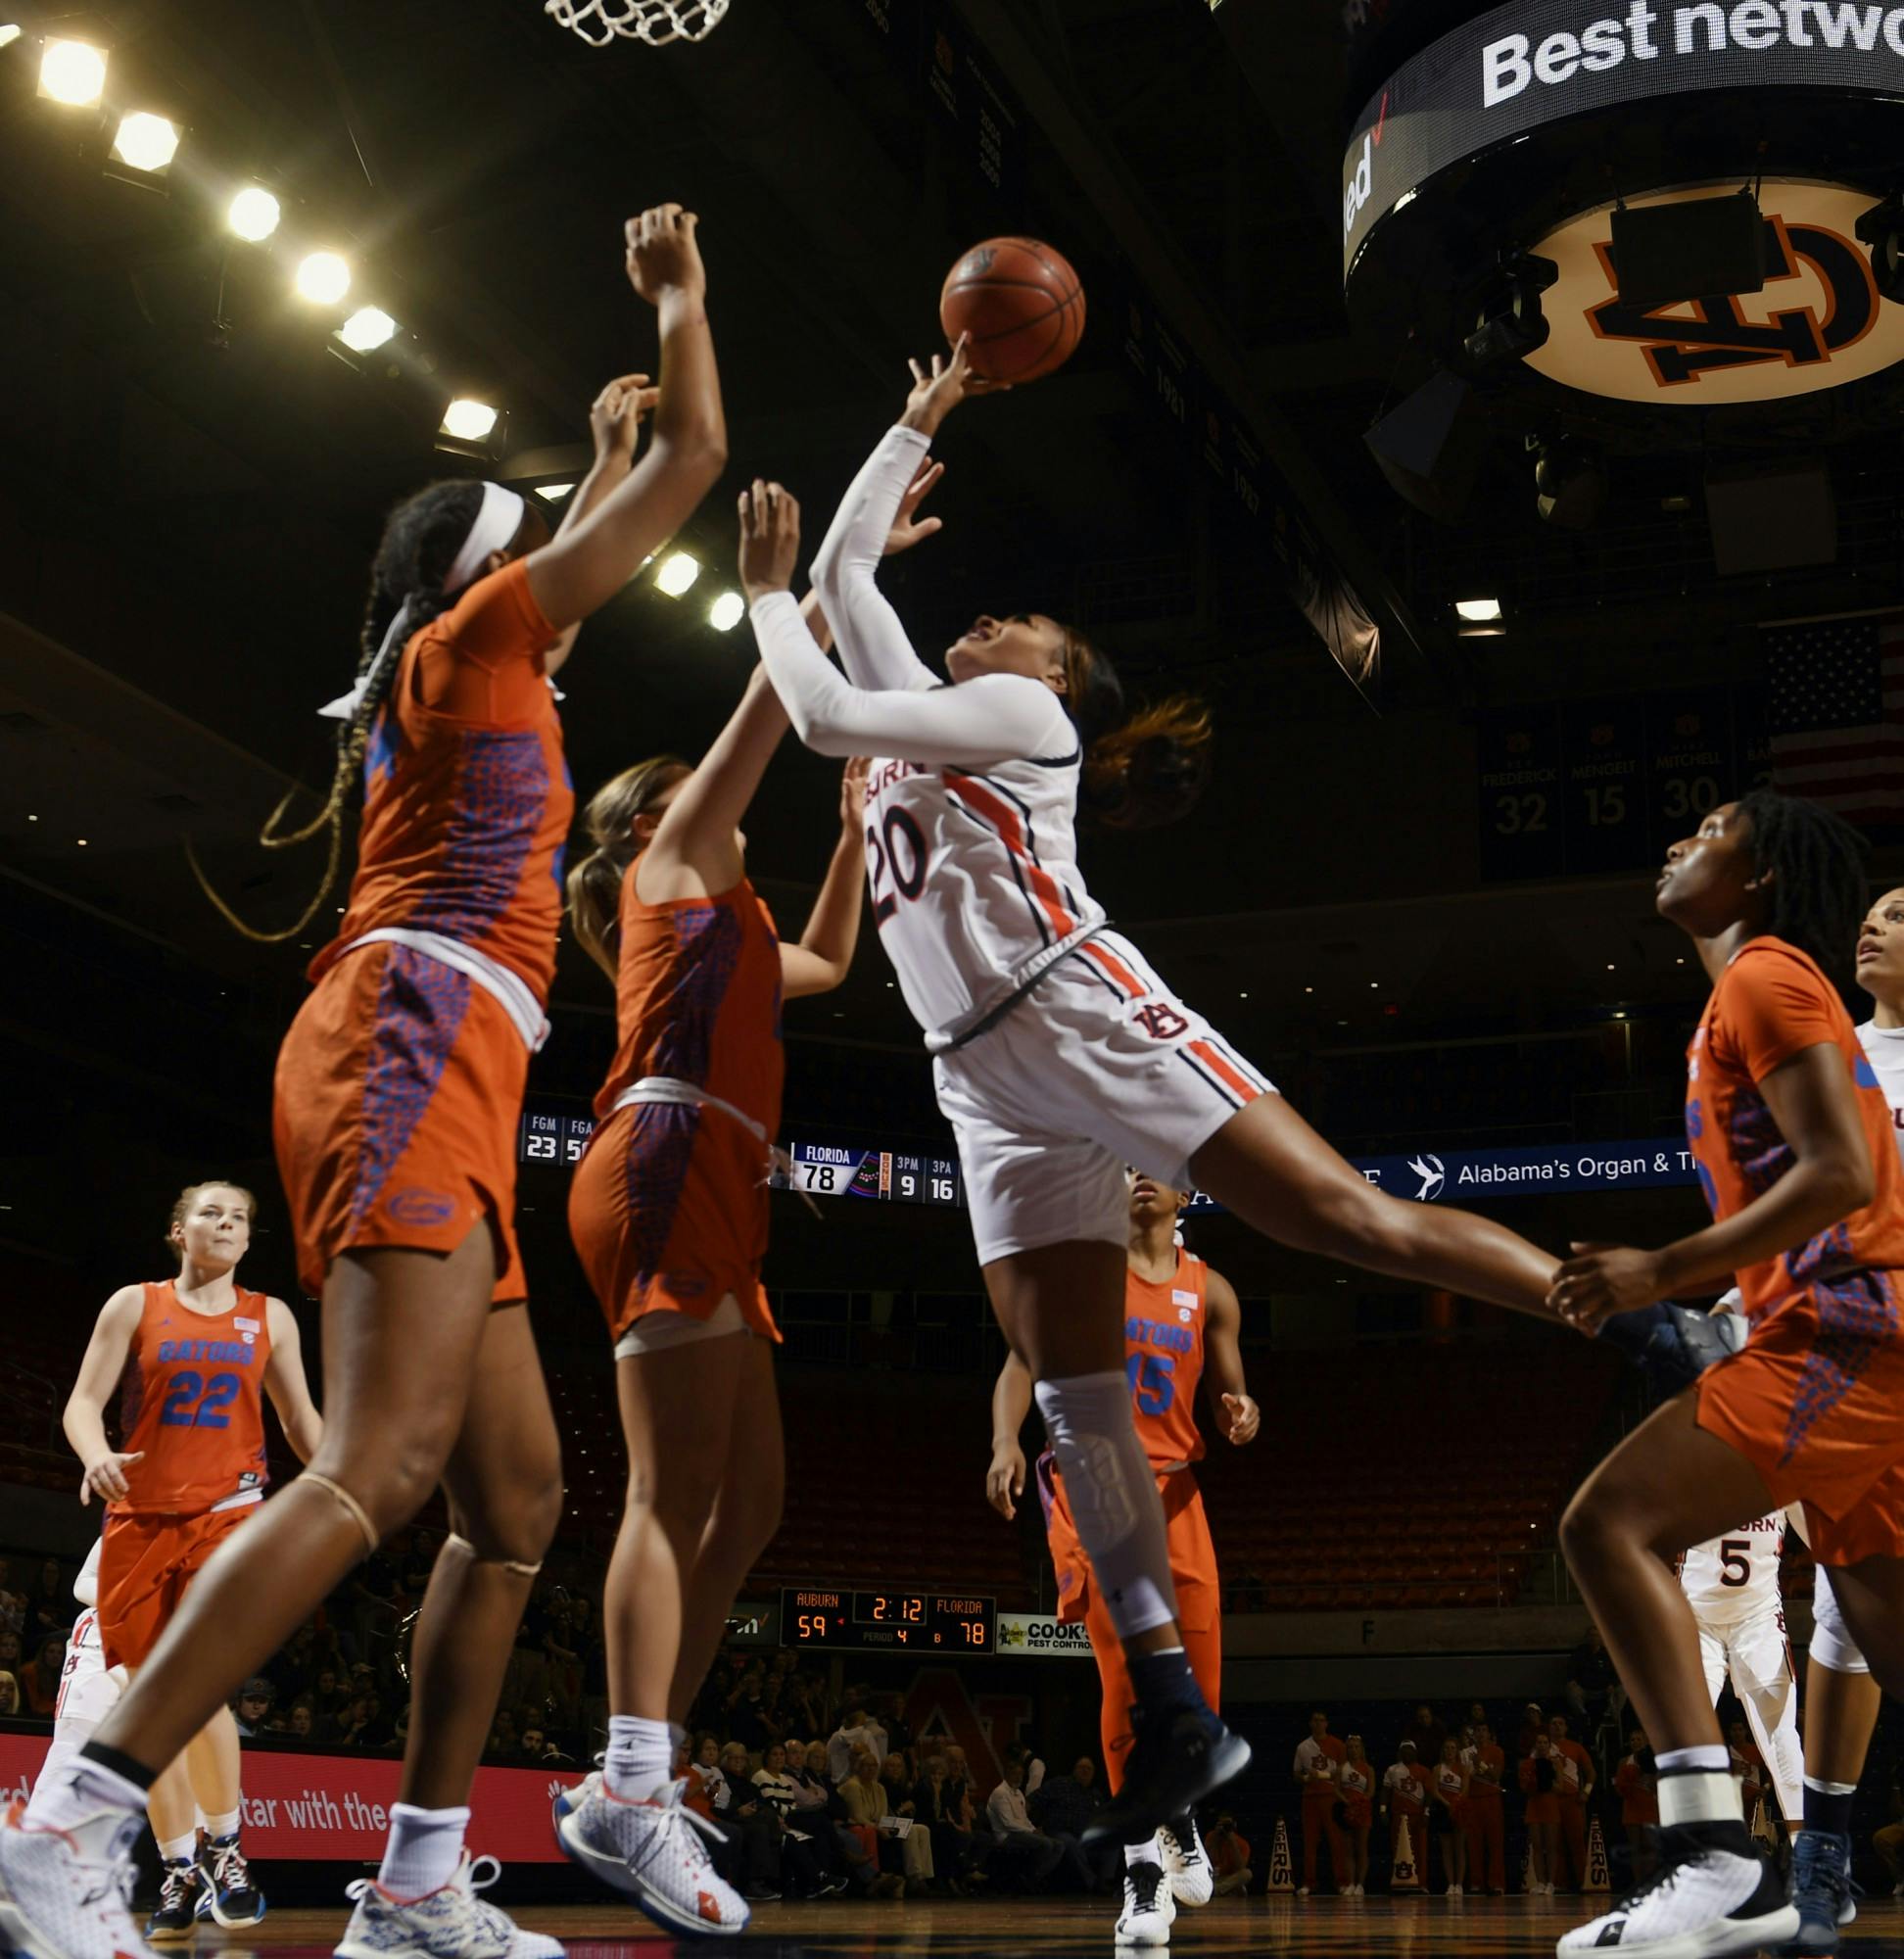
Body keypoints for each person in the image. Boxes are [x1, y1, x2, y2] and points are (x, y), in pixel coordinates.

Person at [0, 205, 729, 1959]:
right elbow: (701, 458)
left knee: (517, 1502)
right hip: (404, 1051)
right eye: (538, 550)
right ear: (494, 574)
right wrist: (680, 311)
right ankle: (69, 1827)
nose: (563, 573)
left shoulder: (477, 672)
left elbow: (589, 525)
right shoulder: (473, 643)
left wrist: (596, 459)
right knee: (372, 1473)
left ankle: (408, 1882)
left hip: (443, 1060)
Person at [745, 343, 1567, 1850]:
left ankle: (1620, 1312)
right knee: (1072, 1395)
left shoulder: (1024, 726)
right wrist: (917, 413)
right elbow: (858, 579)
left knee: (1337, 1218)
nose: (985, 615)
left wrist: (757, 595)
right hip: (976, 1075)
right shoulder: (941, 698)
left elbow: (813, 705)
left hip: (1071, 1003)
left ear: (1057, 679)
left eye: (1023, 623)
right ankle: (1176, 1710)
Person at [553, 468, 933, 1936]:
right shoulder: (669, 856)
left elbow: (830, 966)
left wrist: (848, 835)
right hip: (661, 1164)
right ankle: (631, 1785)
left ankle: (636, 1772)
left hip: (711, 1176)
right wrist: (817, 590)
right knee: (666, 1493)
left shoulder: (737, 919)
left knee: (753, 1504)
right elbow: (763, 715)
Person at [1549, 792, 1904, 1958]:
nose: (1673, 839)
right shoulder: (1754, 987)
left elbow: (1844, 1173)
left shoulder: (1766, 976)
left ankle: (1713, 1857)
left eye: (1705, 829)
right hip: (1862, 1342)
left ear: (1757, 877)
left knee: (1611, 1523)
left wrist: (1663, 1267)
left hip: (1844, 1338)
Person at [56, 1181, 323, 1939]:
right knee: (150, 1705)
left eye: (239, 1218)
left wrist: (346, 1486)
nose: (227, 1224)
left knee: (201, 1687)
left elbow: (299, 1419)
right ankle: (177, 1869)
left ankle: (228, 1848)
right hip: (138, 1522)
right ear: (178, 1231)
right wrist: (96, 1451)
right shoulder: (133, 1304)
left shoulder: (267, 1316)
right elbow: (82, 1402)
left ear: (248, 1239)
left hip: (231, 1518)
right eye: (212, 1213)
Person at [989, 1173, 1252, 1938]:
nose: (1140, 1178)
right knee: (1123, 1673)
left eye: (1154, 1168)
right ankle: (1142, 1872)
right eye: (1126, 1168)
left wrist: (1243, 1414)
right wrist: (1006, 1439)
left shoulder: (1214, 1292)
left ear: (1187, 1194)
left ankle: (1175, 1815)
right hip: (1092, 1487)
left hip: (1175, 1496)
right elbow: (1019, 1363)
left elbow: (1237, 1398)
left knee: (1196, 1691)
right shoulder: (1083, 1270)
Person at [1676, 1511, 1803, 1838]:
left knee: (1781, 1739)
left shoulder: (1685, 1469)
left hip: (1745, 1619)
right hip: (1705, 1621)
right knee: (1780, 1738)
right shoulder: (1782, 1476)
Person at [1294, 1711, 1348, 1897]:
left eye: (1321, 1720)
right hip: (1310, 1798)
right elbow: (1297, 1774)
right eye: (1315, 1720)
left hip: (1331, 1796)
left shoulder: (1338, 1745)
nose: (1318, 1724)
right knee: (1310, 1842)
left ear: (1327, 1723)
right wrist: (1308, 1777)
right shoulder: (1303, 1747)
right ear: (1310, 1724)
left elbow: (1343, 1772)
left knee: (1336, 1841)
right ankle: (1309, 1882)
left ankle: (1342, 1881)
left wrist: (1323, 1776)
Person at [1547, 1713, 1595, 1892]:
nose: (1557, 1726)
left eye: (1560, 1723)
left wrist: (1586, 1791)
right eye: (1553, 1723)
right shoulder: (1543, 1748)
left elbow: (1591, 1773)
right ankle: (1559, 1882)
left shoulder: (1576, 1748)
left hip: (1572, 1800)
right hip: (1552, 1800)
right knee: (1554, 1843)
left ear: (1566, 1728)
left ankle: (1583, 1881)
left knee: (1577, 1842)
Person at [1462, 1718, 1506, 1894]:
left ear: (1489, 1734)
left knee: (1495, 1842)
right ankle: (1476, 1882)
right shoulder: (1466, 1753)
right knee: (1474, 1844)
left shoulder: (1496, 1751)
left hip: (1491, 1799)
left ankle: (1496, 1883)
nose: (1480, 1734)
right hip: (1474, 1800)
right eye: (1477, 1730)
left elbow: (1495, 1776)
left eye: (1483, 1730)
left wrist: (1480, 1763)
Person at [1615, 1727, 1661, 1883]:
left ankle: (1651, 1881)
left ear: (1646, 1741)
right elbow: (1618, 1785)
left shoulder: (1654, 1760)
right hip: (1631, 1806)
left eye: (1638, 1739)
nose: (1635, 1742)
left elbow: (1660, 1785)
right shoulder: (1624, 1761)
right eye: (1633, 1740)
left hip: (1649, 1806)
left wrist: (1650, 1778)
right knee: (1635, 1847)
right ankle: (1638, 1882)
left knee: (1649, 1846)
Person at [1519, 1730, 1560, 1896]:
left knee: (1551, 1846)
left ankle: (1551, 1882)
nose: (1542, 1745)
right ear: (1535, 1745)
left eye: (1545, 1742)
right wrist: (1533, 1783)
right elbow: (1523, 1788)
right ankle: (1540, 1882)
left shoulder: (1555, 1762)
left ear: (1549, 1746)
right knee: (1536, 1846)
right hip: (1534, 1805)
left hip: (1549, 1804)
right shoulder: (1528, 1764)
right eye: (1539, 1742)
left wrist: (1547, 1780)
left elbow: (1561, 1787)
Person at [1337, 1735, 1376, 1896]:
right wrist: (1346, 1801)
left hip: (1362, 1811)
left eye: (1356, 1747)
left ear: (1361, 1749)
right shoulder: (1341, 1768)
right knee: (1348, 1849)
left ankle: (1361, 1884)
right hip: (1346, 1810)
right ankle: (1350, 1882)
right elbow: (1336, 1789)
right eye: (1351, 1747)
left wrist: (1360, 1803)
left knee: (1361, 1848)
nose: (1353, 1750)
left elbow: (1371, 1791)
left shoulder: (1368, 1769)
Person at [1432, 1737, 1469, 1896]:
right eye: (1447, 1748)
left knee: (1459, 1848)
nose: (1449, 1751)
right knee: (1446, 1849)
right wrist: (1447, 1804)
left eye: (1453, 1748)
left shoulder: (1463, 1768)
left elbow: (1465, 1789)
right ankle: (1450, 1883)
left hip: (1459, 1809)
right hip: (1443, 1809)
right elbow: (1434, 1791)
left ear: (1457, 1751)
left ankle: (1459, 1884)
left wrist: (1455, 1804)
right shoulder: (1437, 1769)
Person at [1208, 1814, 1253, 1896]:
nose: (1224, 1828)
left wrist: (1233, 1843)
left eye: (1227, 1825)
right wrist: (1215, 1841)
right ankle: (1228, 1891)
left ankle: (1216, 1890)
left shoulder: (1242, 1843)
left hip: (1228, 1878)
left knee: (1247, 1873)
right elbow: (1207, 1860)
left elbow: (1240, 1867)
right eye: (1221, 1824)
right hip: (1213, 1877)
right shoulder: (1211, 1836)